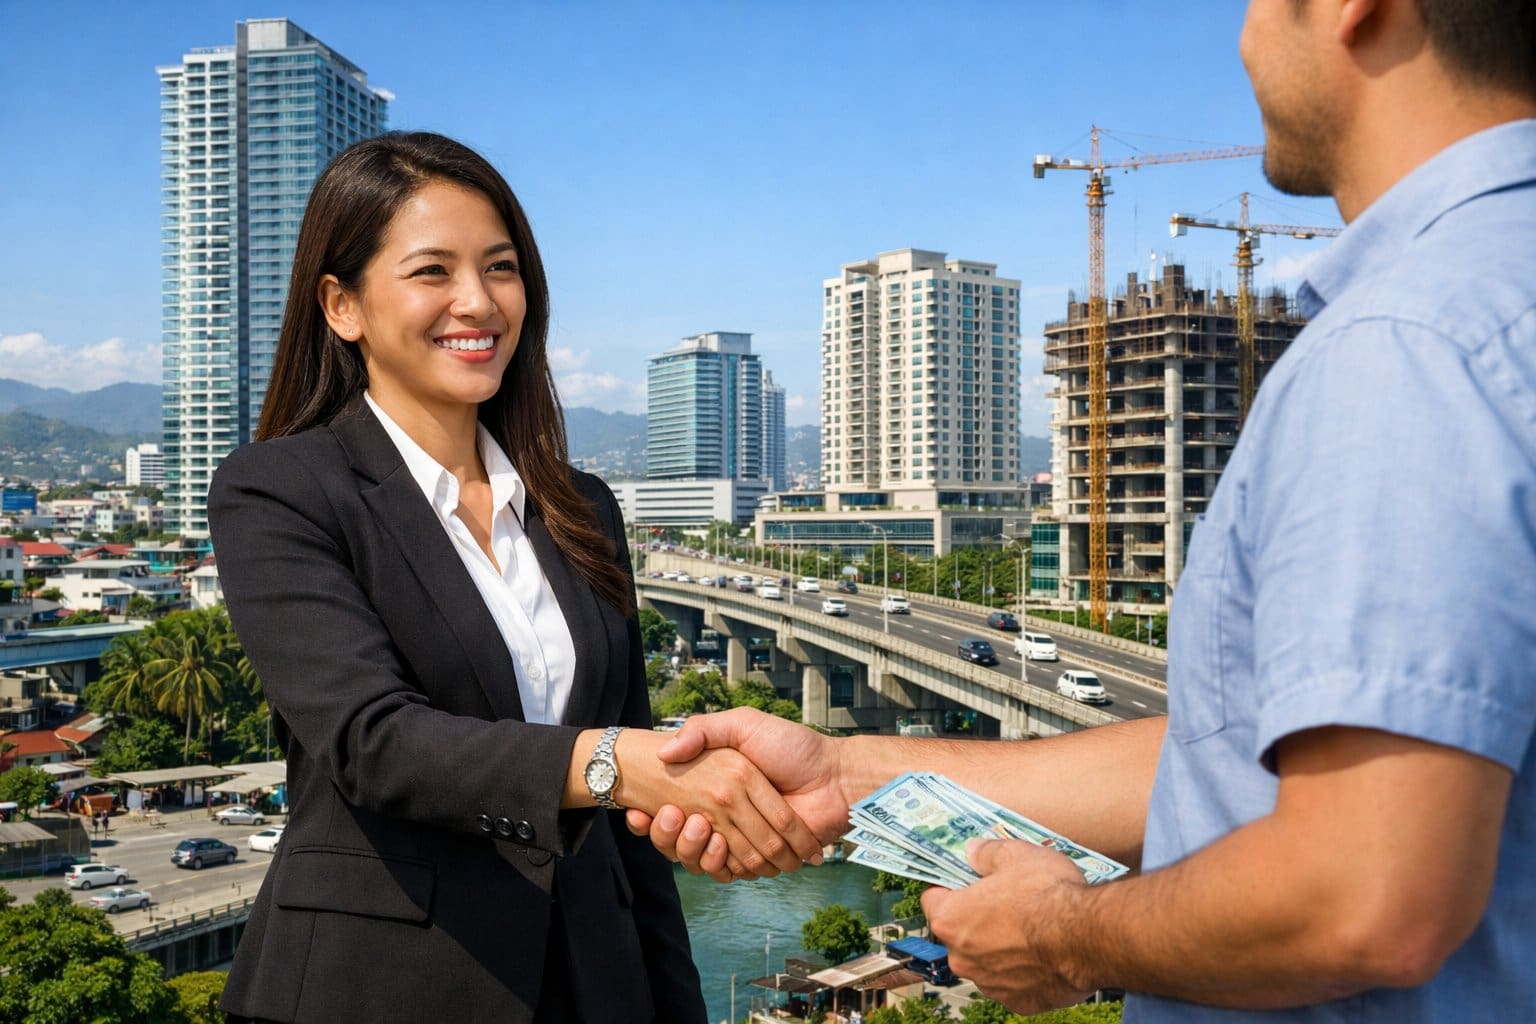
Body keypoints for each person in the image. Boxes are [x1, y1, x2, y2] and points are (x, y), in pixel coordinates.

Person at [632, 1, 1536, 1019]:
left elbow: (1368, 893)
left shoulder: (1408, 345)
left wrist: (1064, 937)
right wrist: (845, 770)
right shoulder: (1484, 302)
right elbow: (1233, 758)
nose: (1240, 38)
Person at [208, 131, 821, 1024]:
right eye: (432, 271)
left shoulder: (581, 507)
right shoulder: (281, 491)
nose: (477, 301)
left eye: (501, 268)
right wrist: (617, 766)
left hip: (596, 982)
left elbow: (630, 829)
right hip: (375, 988)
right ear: (342, 305)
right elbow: (373, 741)